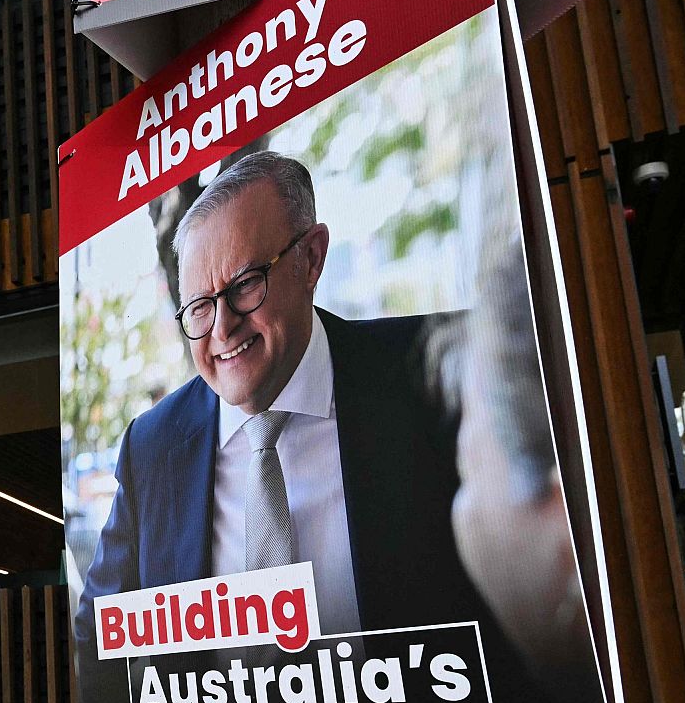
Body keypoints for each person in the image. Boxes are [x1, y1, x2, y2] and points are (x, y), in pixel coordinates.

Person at [76, 151, 484, 644]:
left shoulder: (434, 375)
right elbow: (95, 638)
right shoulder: (153, 445)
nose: (222, 329)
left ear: (311, 259)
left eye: (245, 284)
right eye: (199, 307)